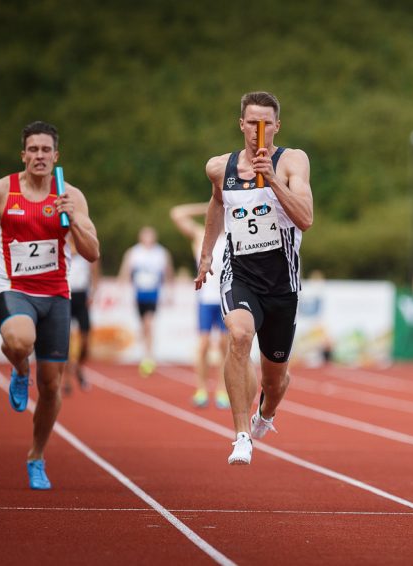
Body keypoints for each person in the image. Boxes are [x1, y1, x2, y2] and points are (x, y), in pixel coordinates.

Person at [0, 121, 100, 489]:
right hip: (14, 287)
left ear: (57, 155)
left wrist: (75, 222)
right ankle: (20, 368)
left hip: (56, 294)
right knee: (20, 341)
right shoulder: (0, 190)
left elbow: (92, 252)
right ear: (23, 154)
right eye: (33, 150)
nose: (39, 156)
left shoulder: (71, 195)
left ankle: (36, 456)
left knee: (52, 387)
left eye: (46, 150)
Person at [195, 91, 313, 465]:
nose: (257, 130)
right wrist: (206, 253)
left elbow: (306, 219)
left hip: (282, 284)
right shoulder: (219, 167)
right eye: (251, 122)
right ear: (241, 125)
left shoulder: (292, 161)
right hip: (240, 273)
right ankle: (241, 434)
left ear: (277, 126)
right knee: (240, 335)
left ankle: (266, 414)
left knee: (275, 380)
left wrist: (273, 180)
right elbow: (217, 202)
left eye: (265, 123)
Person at [171, 202, 231, 409]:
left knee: (225, 346)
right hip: (205, 299)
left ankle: (223, 390)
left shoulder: (233, 235)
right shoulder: (200, 235)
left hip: (226, 299)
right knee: (204, 345)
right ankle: (201, 388)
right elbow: (177, 213)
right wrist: (207, 206)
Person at [118, 225, 173, 376]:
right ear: (140, 237)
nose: (148, 239)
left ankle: (148, 357)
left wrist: (170, 291)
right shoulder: (134, 252)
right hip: (139, 293)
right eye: (146, 236)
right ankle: (145, 351)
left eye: (151, 236)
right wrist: (121, 288)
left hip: (153, 293)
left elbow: (168, 273)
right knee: (143, 325)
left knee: (149, 323)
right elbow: (125, 271)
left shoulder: (161, 253)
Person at [63, 235, 99, 394]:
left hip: (81, 297)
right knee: (65, 341)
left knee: (85, 340)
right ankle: (66, 379)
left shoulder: (86, 248)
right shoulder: (61, 247)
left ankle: (79, 368)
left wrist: (93, 293)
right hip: (65, 296)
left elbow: (96, 272)